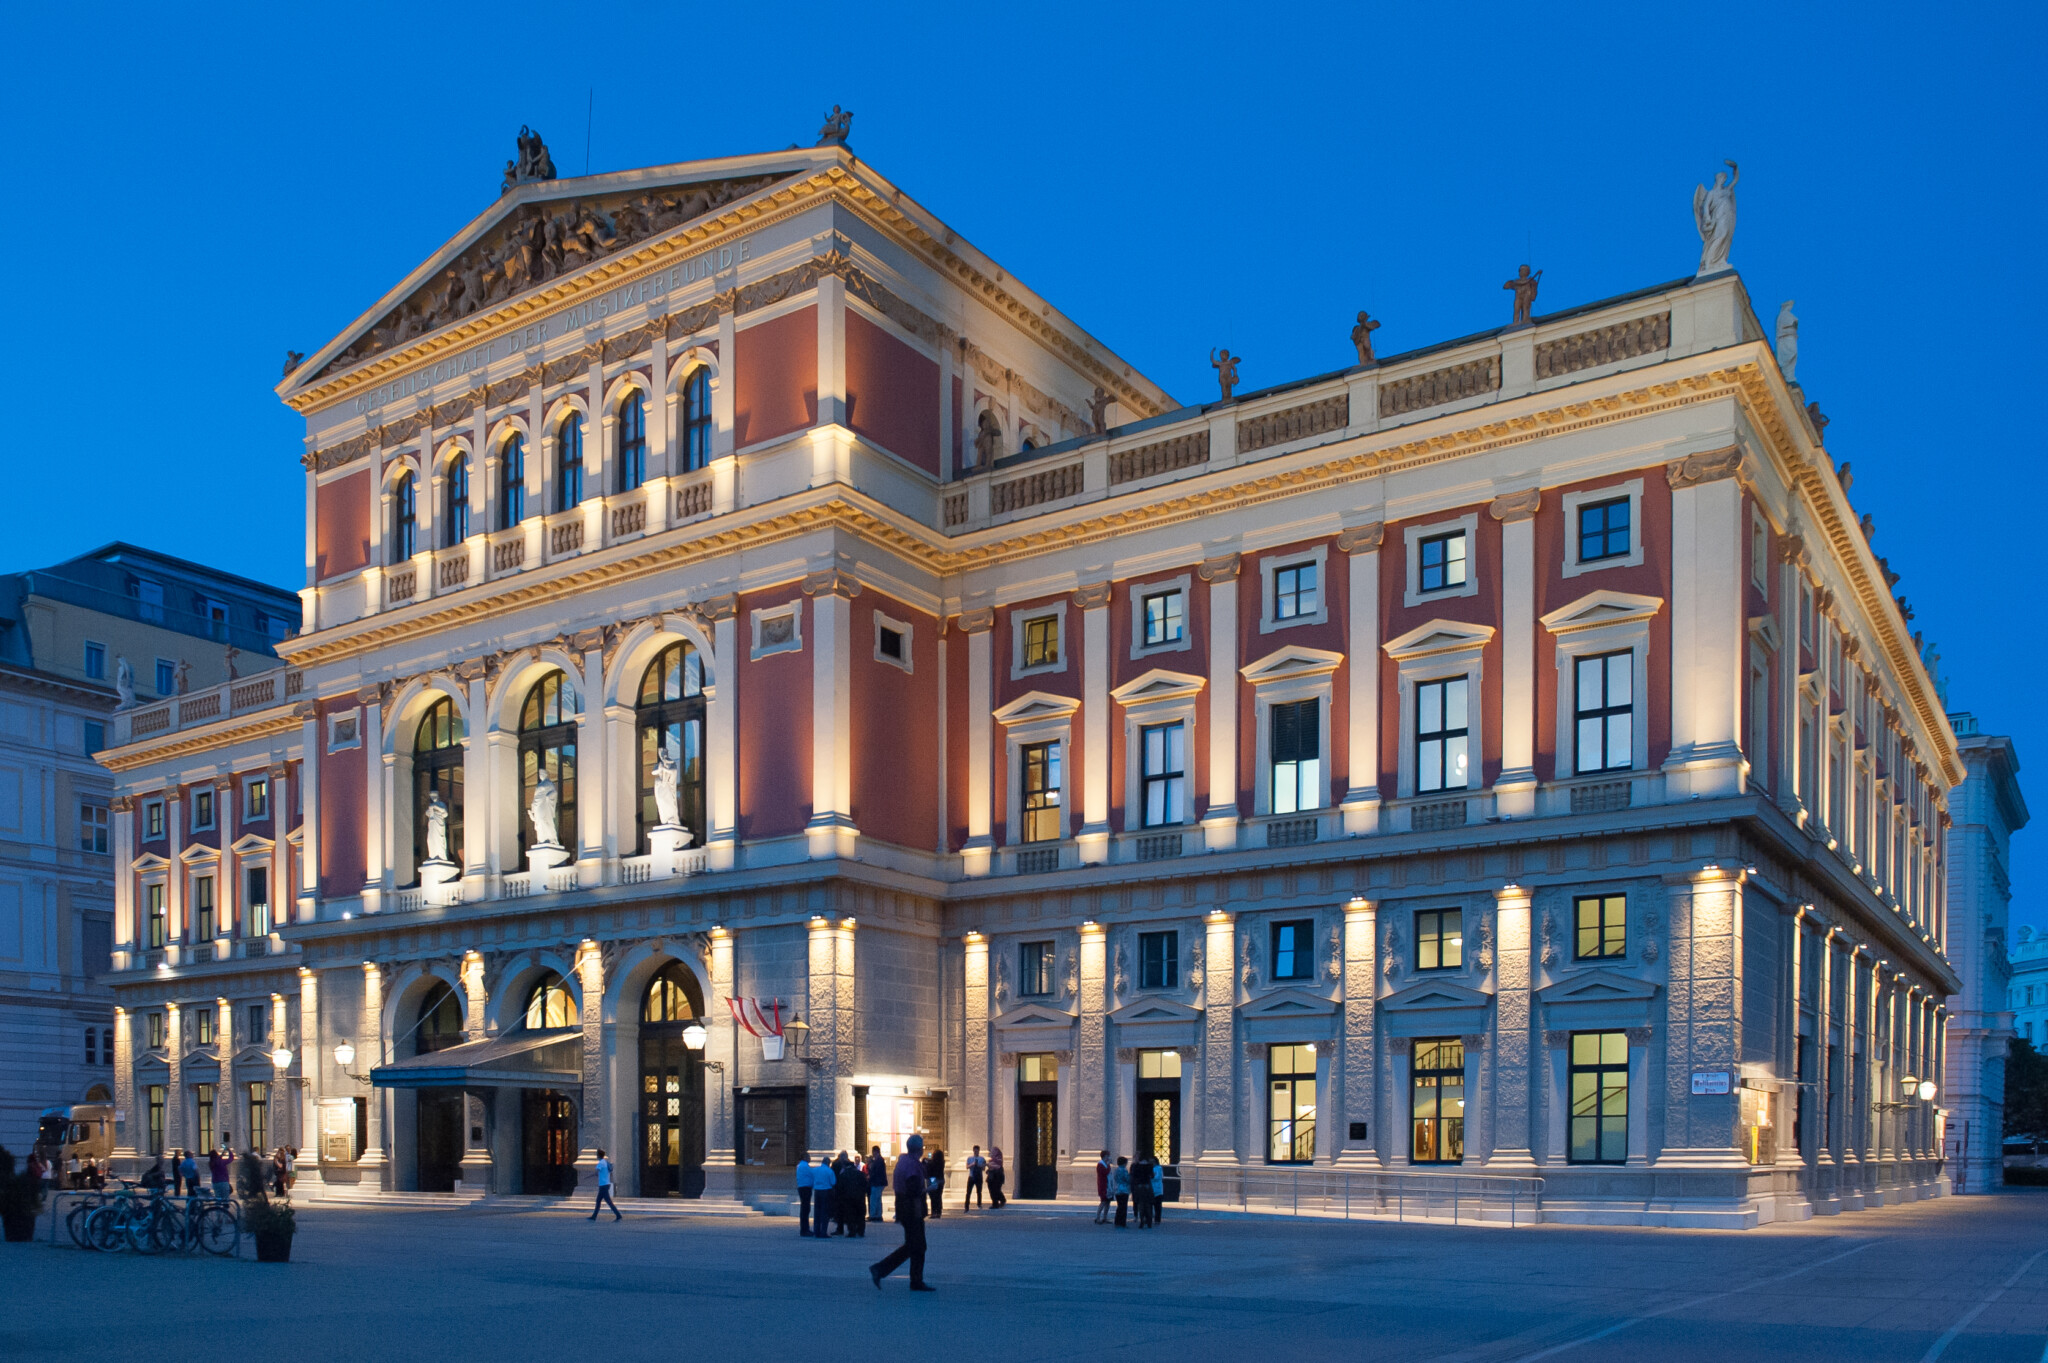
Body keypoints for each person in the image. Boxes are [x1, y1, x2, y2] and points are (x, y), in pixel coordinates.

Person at [868, 1133, 935, 1292]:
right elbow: (913, 1189)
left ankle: (912, 1279)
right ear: (918, 1149)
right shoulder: (912, 1165)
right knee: (916, 1245)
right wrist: (927, 1189)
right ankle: (882, 1269)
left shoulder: (902, 1162)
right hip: (912, 1209)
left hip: (905, 1209)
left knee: (915, 1245)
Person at [835, 1153, 867, 1238]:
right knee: (860, 1214)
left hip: (848, 1198)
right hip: (860, 1198)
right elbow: (865, 1185)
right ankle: (861, 1231)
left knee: (850, 1215)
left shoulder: (843, 1175)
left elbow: (840, 1187)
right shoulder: (860, 1174)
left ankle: (852, 1231)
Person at [589, 1148, 620, 1221]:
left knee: (607, 1201)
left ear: (598, 1155)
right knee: (599, 1200)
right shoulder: (605, 1162)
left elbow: (597, 1172)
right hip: (606, 1184)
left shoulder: (600, 1163)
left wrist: (594, 1174)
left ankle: (618, 1215)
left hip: (603, 1184)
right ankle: (594, 1216)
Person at [815, 1153, 842, 1238]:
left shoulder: (816, 1170)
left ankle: (816, 1231)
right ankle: (823, 1232)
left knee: (817, 1212)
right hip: (826, 1191)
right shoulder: (829, 1171)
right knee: (824, 1212)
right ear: (828, 1163)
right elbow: (833, 1182)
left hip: (817, 1191)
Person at [795, 1153, 817, 1236]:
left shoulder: (800, 1165)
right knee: (805, 1209)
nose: (810, 1158)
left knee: (805, 1209)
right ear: (804, 1157)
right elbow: (812, 1174)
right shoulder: (804, 1166)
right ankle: (805, 1230)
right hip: (805, 1188)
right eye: (808, 1157)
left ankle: (804, 1229)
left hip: (803, 1188)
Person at [1133, 1153, 1154, 1229]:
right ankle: (1149, 1221)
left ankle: (1142, 1220)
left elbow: (1134, 1175)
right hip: (1147, 1186)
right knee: (1148, 1204)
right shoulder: (1149, 1166)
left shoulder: (1136, 1166)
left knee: (1141, 1204)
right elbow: (1152, 1176)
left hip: (1140, 1186)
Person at [866, 1146, 887, 1223]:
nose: (873, 1154)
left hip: (877, 1183)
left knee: (874, 1199)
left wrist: (870, 1176)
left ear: (875, 1152)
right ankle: (878, 1215)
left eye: (873, 1152)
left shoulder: (878, 1161)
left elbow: (876, 1172)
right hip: (879, 1182)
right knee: (877, 1199)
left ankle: (874, 1215)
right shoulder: (880, 1160)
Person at [963, 1145, 986, 1211]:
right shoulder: (970, 1158)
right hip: (971, 1176)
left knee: (979, 1191)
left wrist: (978, 1165)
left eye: (977, 1150)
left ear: (979, 1151)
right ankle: (966, 1206)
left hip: (979, 1176)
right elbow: (967, 1166)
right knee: (968, 1192)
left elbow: (983, 1168)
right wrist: (973, 1164)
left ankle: (979, 1203)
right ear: (973, 1151)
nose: (976, 1152)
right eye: (975, 1150)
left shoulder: (982, 1158)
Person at [924, 1147, 944, 1219]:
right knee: (939, 1196)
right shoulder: (942, 1162)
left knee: (933, 1196)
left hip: (933, 1179)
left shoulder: (932, 1163)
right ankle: (938, 1212)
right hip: (941, 1180)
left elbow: (929, 1169)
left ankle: (934, 1212)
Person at [1111, 1156, 1130, 1227]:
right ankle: (1122, 1222)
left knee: (1119, 1206)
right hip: (1124, 1189)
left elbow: (1115, 1178)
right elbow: (1127, 1179)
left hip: (1117, 1189)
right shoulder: (1124, 1170)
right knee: (1124, 1207)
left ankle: (1117, 1221)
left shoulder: (1116, 1170)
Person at [1094, 1150, 1112, 1224]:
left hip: (1108, 1185)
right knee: (1103, 1201)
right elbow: (1105, 1172)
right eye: (1108, 1156)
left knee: (1108, 1202)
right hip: (1103, 1185)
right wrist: (1108, 1165)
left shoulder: (1106, 1164)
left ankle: (1105, 1217)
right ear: (1104, 1156)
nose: (1109, 1157)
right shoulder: (1100, 1164)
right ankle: (1097, 1217)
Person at [1150, 1157, 1166, 1226]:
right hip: (1151, 1189)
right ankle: (1149, 1218)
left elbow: (1157, 1177)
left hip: (1157, 1190)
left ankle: (1157, 1219)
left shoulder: (1159, 1168)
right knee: (1150, 1205)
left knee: (1157, 1206)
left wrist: (1150, 1177)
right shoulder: (1150, 1169)